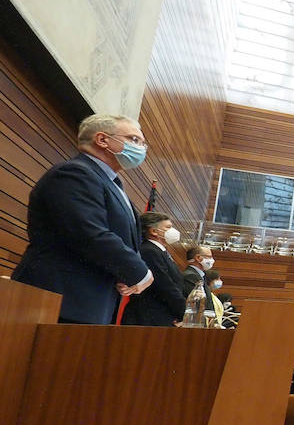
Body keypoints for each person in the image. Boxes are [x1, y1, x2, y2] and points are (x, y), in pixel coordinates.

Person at [12, 114, 154, 324]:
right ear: (102, 139)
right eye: (134, 140)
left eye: (143, 143)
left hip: (91, 302)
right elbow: (89, 233)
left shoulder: (111, 183)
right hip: (57, 300)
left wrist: (124, 275)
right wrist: (139, 272)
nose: (140, 148)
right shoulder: (74, 173)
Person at [123, 212, 188, 327]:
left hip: (161, 316)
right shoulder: (149, 251)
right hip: (149, 318)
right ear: (153, 231)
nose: (173, 230)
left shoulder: (161, 251)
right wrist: (185, 314)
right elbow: (165, 286)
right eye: (168, 227)